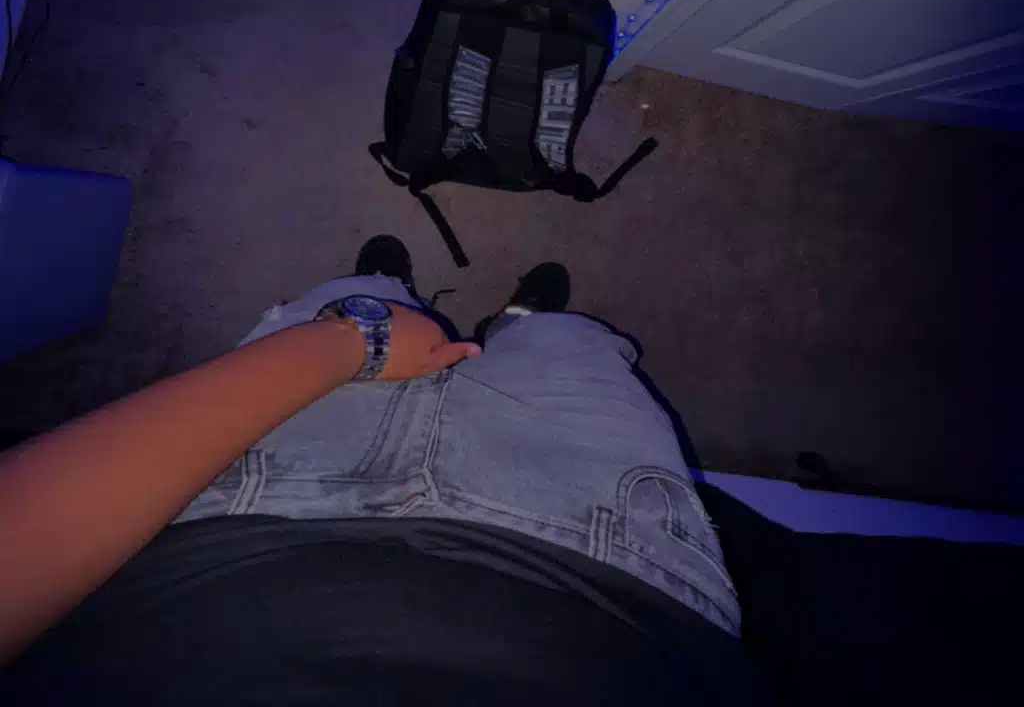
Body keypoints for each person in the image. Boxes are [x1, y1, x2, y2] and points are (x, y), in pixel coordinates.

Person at [0, 236, 771, 704]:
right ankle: (520, 325)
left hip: (239, 515)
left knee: (345, 299)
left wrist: (354, 338)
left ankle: (379, 291)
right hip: (609, 571)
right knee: (576, 346)